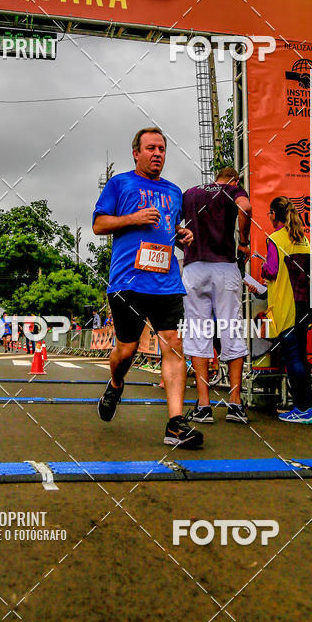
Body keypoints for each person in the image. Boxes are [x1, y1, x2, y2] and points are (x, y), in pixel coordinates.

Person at [93, 126, 202, 449]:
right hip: (128, 281)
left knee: (173, 344)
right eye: (151, 148)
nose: (157, 154)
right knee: (126, 350)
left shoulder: (173, 191)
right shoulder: (120, 183)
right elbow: (99, 224)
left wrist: (182, 236)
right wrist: (133, 218)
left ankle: (175, 423)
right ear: (136, 153)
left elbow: (170, 227)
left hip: (166, 281)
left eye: (162, 149)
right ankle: (115, 383)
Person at [181, 166, 253, 424]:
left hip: (194, 266)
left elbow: (171, 222)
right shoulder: (233, 189)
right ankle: (235, 403)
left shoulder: (189, 193)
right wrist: (243, 240)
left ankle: (203, 405)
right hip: (224, 265)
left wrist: (181, 240)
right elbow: (245, 208)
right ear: (234, 179)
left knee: (198, 332)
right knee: (230, 329)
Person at [260, 197, 312, 423]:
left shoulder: (275, 239)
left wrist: (263, 268)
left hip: (287, 306)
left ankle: (304, 408)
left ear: (274, 214)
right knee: (301, 357)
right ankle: (306, 406)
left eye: (269, 214)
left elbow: (272, 270)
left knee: (294, 358)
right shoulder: (303, 239)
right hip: (305, 306)